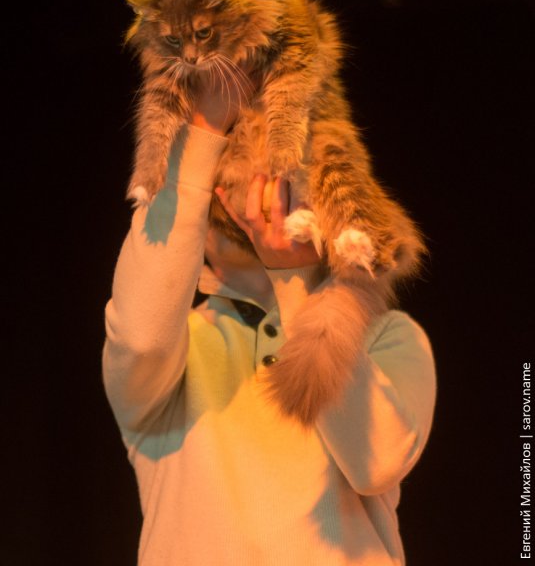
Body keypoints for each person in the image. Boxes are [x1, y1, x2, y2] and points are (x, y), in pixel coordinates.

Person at [102, 72, 437, 566]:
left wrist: (294, 278)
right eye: (226, 179)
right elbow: (140, 339)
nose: (254, 191)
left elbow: (377, 462)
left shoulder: (387, 335)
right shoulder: (177, 348)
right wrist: (203, 136)